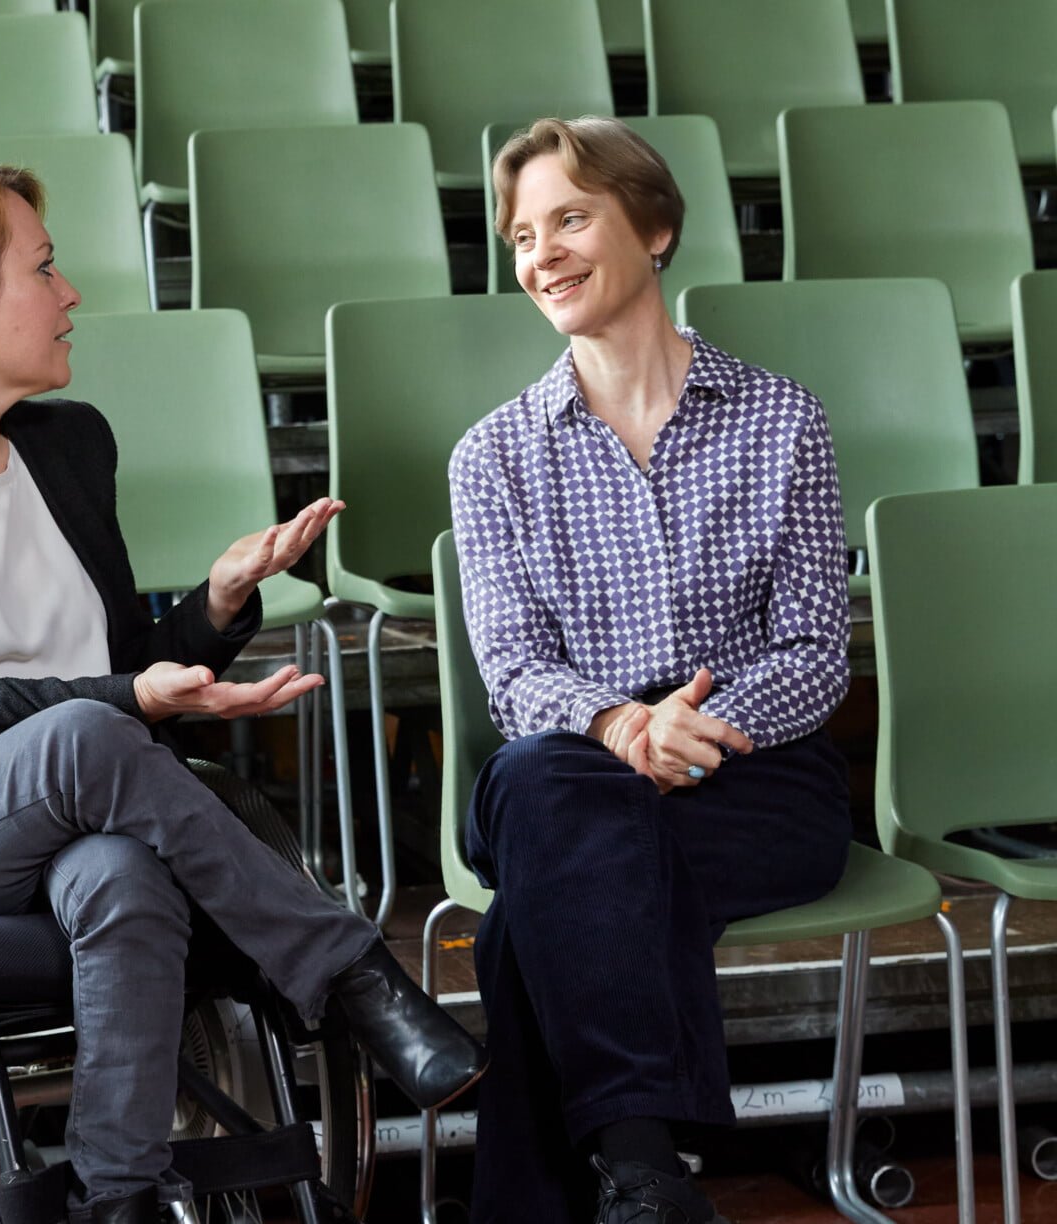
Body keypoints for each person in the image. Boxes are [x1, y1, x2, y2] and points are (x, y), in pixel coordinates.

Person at [0, 146, 485, 1224]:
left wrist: (217, 606)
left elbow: (122, 665)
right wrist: (130, 704)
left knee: (121, 877)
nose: (71, 294)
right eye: (43, 268)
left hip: (73, 808)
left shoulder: (70, 445)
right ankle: (354, 978)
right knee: (90, 739)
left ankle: (117, 1197)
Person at [449, 117, 853, 1223]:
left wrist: (692, 733)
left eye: (570, 219)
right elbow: (515, 672)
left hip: (755, 773)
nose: (542, 255)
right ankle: (644, 1179)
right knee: (545, 783)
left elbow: (815, 652)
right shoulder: (492, 456)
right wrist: (627, 727)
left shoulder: (782, 419)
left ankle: (634, 1180)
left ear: (657, 228)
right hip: (573, 762)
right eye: (522, 236)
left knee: (532, 910)